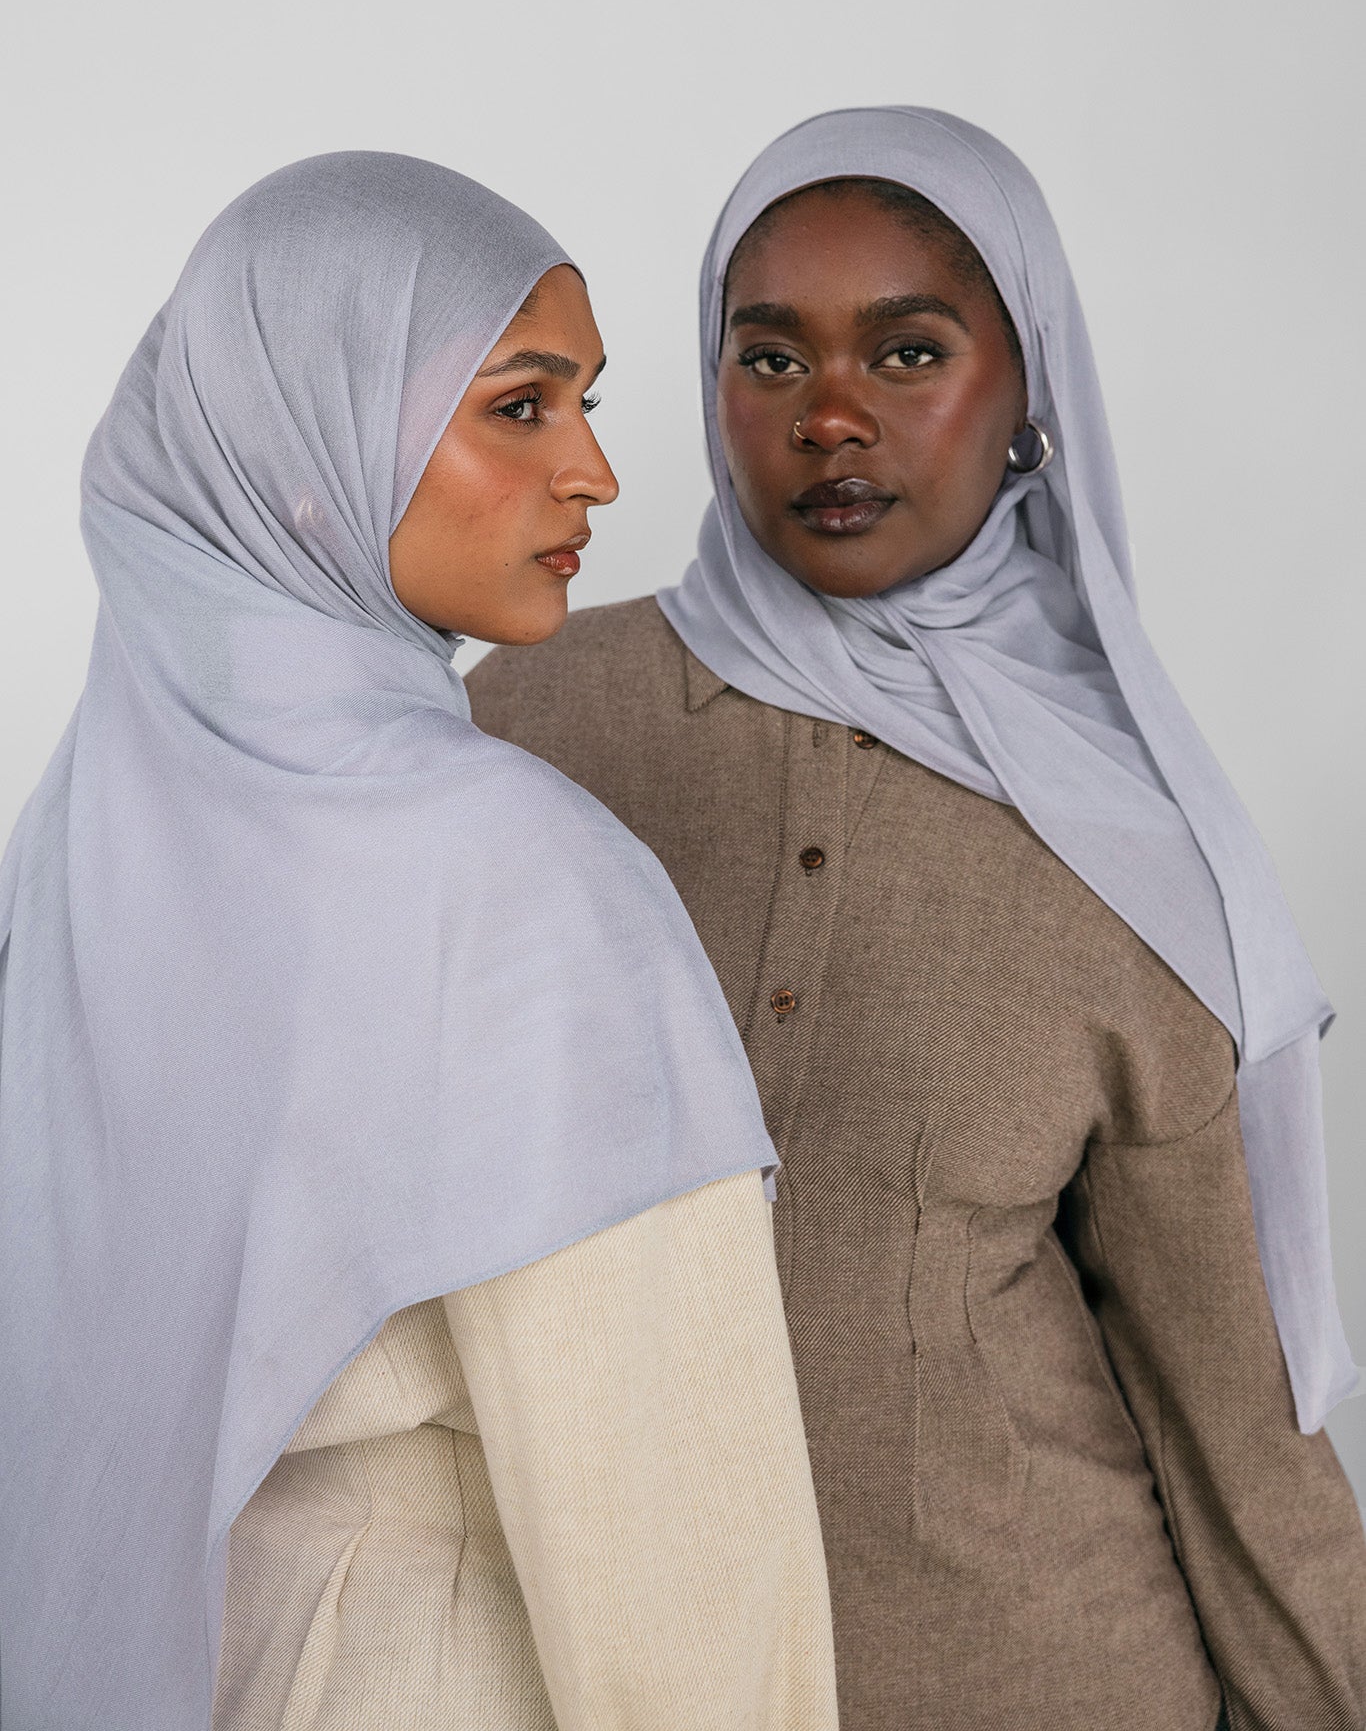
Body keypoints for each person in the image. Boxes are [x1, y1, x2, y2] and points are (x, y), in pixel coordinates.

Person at [468, 107, 1366, 1731]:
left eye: (905, 354)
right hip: (594, 1676)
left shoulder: (1127, 839)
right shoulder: (529, 724)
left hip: (1034, 1673)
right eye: (766, 361)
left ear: (1025, 390)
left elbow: (1240, 1419)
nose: (826, 420)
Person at [0, 153, 840, 1731]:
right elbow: (673, 1551)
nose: (592, 471)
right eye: (519, 405)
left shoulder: (80, 849)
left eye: (585, 402)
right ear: (304, 448)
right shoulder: (515, 879)